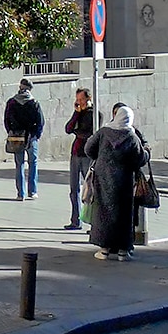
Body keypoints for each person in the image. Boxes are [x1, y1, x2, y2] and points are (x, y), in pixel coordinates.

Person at [86, 103, 147, 261]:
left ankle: (104, 249)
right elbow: (140, 159)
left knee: (103, 212)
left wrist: (100, 158)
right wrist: (147, 152)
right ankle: (122, 251)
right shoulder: (131, 136)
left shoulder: (104, 132)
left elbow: (88, 149)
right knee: (123, 215)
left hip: (103, 178)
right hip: (124, 180)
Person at [4, 78, 44, 201]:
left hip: (16, 137)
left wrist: (11, 132)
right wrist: (36, 135)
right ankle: (33, 191)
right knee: (33, 163)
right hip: (31, 137)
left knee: (19, 164)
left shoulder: (11, 102)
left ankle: (20, 193)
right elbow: (41, 122)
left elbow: (6, 120)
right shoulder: (34, 103)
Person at [63, 87, 95, 230]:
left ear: (88, 99)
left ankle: (93, 221)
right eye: (77, 100)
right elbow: (68, 128)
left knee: (89, 188)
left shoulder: (94, 114)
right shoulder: (79, 114)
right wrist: (76, 114)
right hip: (75, 154)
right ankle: (75, 220)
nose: (79, 102)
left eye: (81, 100)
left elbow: (88, 134)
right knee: (73, 188)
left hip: (87, 155)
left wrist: (77, 131)